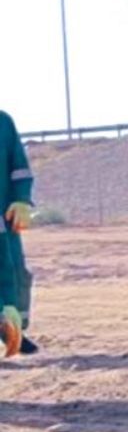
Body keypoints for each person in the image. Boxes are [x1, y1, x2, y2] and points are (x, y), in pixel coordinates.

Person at [1, 110, 36, 355]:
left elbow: (20, 168)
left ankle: (16, 331)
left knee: (16, 274)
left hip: (6, 219)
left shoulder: (3, 123)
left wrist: (22, 199)